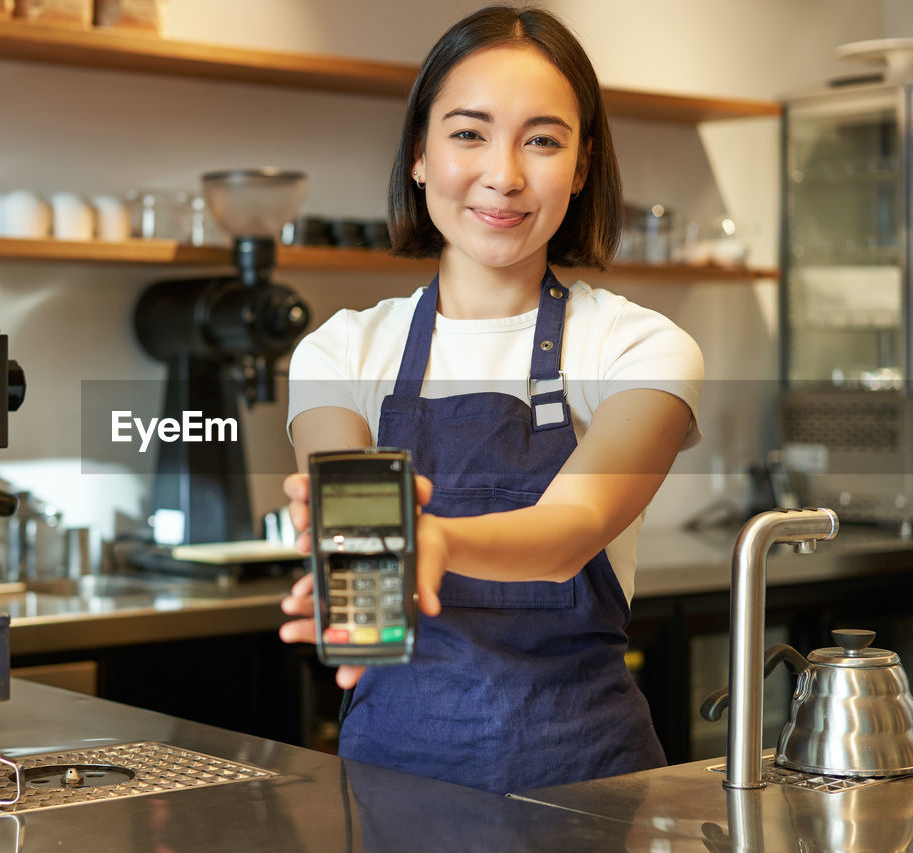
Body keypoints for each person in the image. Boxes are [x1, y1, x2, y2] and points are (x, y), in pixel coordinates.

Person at [277, 5, 704, 795]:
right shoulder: (339, 352)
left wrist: (434, 541)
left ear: (581, 168)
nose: (504, 173)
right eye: (468, 133)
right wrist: (349, 573)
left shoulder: (641, 348)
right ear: (418, 154)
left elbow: (569, 530)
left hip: (586, 788)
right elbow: (359, 534)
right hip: (391, 786)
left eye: (542, 139)